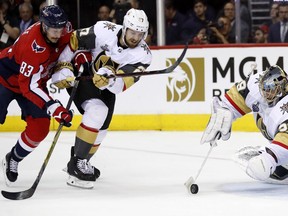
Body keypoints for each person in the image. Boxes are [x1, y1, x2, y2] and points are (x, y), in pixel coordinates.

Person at [51, 8, 152, 189]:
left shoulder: (143, 54)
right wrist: (62, 68)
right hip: (83, 74)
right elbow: (73, 40)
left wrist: (108, 81)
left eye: (140, 33)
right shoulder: (103, 30)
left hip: (106, 85)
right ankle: (77, 164)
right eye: (133, 32)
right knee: (98, 111)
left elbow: (122, 84)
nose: (136, 37)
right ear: (125, 27)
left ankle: (80, 161)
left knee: (102, 128)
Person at [0, 5, 73, 185]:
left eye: (60, 29)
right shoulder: (33, 47)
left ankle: (13, 159)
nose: (57, 34)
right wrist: (54, 107)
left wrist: (80, 60)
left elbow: (76, 45)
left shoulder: (65, 30)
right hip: (4, 78)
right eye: (53, 30)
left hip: (32, 81)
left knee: (40, 128)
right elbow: (28, 88)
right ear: (44, 26)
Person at [201, 64, 288, 184]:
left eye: (271, 90)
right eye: (265, 89)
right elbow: (240, 94)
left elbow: (286, 138)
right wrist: (225, 110)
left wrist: (270, 157)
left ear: (282, 89)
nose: (266, 93)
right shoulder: (257, 85)